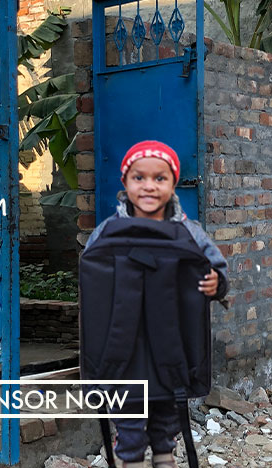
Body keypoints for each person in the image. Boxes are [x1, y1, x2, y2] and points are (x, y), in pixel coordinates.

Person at [84, 140, 229, 468]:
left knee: (168, 416)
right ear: (125, 182)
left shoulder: (189, 232)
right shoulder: (106, 233)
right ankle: (131, 460)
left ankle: (165, 459)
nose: (149, 186)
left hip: (172, 344)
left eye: (159, 178)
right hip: (124, 347)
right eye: (139, 177)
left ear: (173, 183)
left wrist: (216, 283)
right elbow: (91, 281)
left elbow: (215, 267)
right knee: (129, 422)